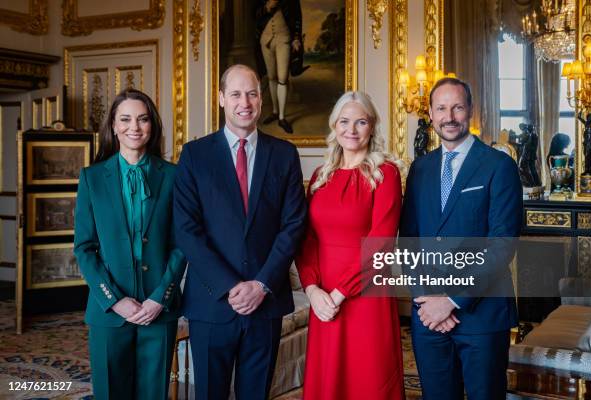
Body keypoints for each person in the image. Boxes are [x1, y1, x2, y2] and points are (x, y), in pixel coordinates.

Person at [174, 64, 306, 400]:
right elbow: (188, 230)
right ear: (221, 99)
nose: (244, 102)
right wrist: (231, 287)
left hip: (266, 303)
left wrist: (261, 285)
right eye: (235, 94)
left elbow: (293, 226)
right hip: (212, 303)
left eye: (251, 93)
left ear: (261, 100)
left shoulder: (284, 155)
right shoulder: (194, 155)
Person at [399, 77, 522, 400]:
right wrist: (428, 301)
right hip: (428, 318)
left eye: (457, 107)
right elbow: (408, 240)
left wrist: (451, 301)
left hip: (482, 316)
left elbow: (501, 245)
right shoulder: (419, 169)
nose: (449, 116)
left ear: (470, 110)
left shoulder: (499, 165)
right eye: (441, 108)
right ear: (429, 112)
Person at [74, 89, 186, 400]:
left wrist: (159, 298)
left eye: (142, 119)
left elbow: (182, 244)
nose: (134, 127)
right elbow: (84, 248)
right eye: (125, 119)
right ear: (113, 125)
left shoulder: (175, 176)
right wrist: (114, 300)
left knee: (154, 394)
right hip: (108, 309)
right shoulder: (92, 178)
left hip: (158, 307)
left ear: (152, 125)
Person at [296, 91, 405, 400]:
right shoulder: (320, 177)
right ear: (334, 126)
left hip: (365, 296)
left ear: (372, 127)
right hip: (324, 299)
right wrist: (312, 289)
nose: (352, 130)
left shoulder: (385, 174)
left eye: (361, 122)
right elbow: (307, 240)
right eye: (344, 121)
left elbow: (381, 244)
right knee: (329, 379)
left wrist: (339, 293)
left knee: (367, 379)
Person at [255, 0, 304, 134]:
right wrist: (266, 7)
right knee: (271, 77)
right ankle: (275, 112)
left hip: (284, 38)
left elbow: (297, 17)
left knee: (282, 78)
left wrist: (296, 38)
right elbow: (255, 15)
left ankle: (282, 118)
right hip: (265, 39)